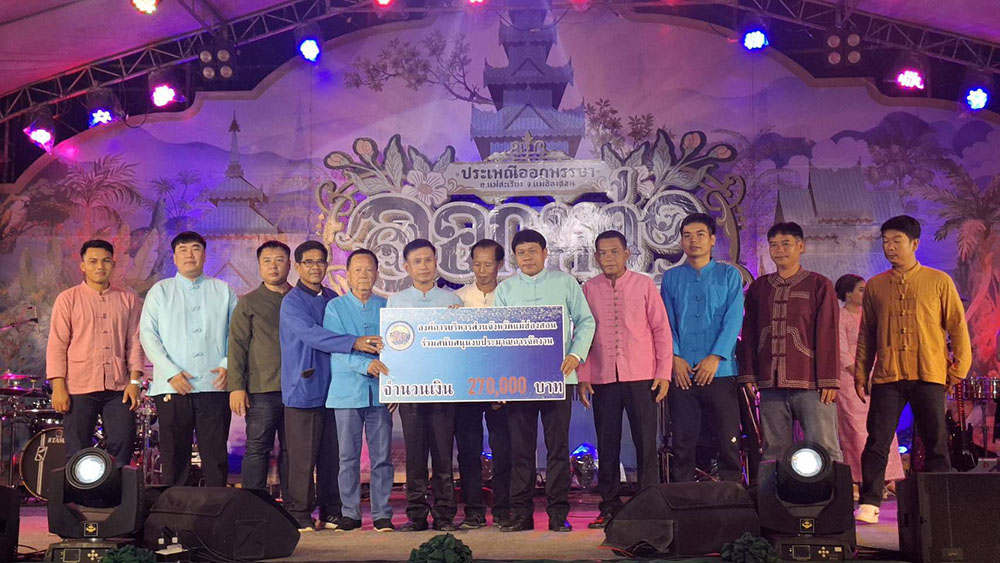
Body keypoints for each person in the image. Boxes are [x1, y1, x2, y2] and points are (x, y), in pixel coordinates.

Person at [854, 216, 971, 524]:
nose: (889, 247)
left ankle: (940, 505)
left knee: (935, 441)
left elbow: (958, 327)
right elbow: (867, 334)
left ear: (914, 243)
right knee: (877, 440)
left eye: (897, 241)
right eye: (885, 241)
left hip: (929, 373)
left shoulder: (939, 281)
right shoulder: (876, 285)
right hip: (888, 376)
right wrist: (861, 372)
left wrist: (959, 369)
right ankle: (870, 502)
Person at [494, 229, 596, 533]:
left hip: (559, 378)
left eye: (532, 251)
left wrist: (575, 355)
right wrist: (501, 380)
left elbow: (586, 321)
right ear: (514, 257)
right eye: (521, 253)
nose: (527, 257)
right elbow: (499, 335)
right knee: (521, 451)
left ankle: (557, 514)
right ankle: (521, 515)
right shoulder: (505, 289)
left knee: (557, 449)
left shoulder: (565, 283)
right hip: (519, 382)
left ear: (544, 253)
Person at [279, 240, 383, 532]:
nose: (315, 267)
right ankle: (299, 512)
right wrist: (354, 342)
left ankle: (331, 510)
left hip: (336, 387)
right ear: (297, 266)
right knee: (302, 456)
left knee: (333, 455)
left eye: (320, 262)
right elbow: (312, 334)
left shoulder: (331, 297)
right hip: (304, 388)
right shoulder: (292, 301)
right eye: (308, 262)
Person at [578, 230, 671, 529]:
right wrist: (583, 376)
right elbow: (583, 333)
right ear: (596, 257)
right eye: (603, 253)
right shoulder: (589, 289)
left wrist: (663, 373)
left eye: (614, 252)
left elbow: (661, 329)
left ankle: (648, 505)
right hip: (603, 377)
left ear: (627, 253)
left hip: (643, 376)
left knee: (646, 443)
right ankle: (609, 506)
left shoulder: (643, 284)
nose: (608, 258)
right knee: (607, 444)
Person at [737, 222, 842, 464]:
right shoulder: (760, 287)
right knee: (774, 450)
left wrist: (829, 379)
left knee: (824, 445)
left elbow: (828, 334)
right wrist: (749, 374)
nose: (779, 250)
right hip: (770, 383)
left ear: (800, 246)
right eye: (774, 245)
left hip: (811, 382)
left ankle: (833, 489)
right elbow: (749, 333)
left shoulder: (818, 284)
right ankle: (775, 490)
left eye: (786, 244)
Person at [140, 231, 237, 487]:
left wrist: (227, 364)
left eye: (195, 248)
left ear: (204, 255)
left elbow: (237, 333)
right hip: (172, 387)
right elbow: (148, 335)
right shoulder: (160, 291)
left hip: (214, 385)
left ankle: (216, 508)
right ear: (174, 257)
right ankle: (175, 508)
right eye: (182, 250)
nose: (189, 254)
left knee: (215, 457)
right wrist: (171, 371)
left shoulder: (223, 290)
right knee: (174, 457)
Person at [660, 214, 745, 484]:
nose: (693, 241)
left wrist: (716, 356)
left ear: (712, 240)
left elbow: (734, 318)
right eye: (687, 235)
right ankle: (684, 496)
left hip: (720, 371)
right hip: (682, 372)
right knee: (683, 442)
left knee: (728, 440)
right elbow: (665, 321)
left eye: (699, 235)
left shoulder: (729, 275)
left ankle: (732, 494)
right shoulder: (671, 278)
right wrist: (674, 356)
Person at [386, 238, 462, 532]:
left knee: (443, 456)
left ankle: (444, 515)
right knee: (415, 457)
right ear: (407, 267)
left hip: (444, 390)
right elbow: (393, 349)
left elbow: (460, 348)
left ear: (436, 262)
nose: (424, 266)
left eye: (428, 260)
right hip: (411, 391)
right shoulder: (396, 302)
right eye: (417, 261)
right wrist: (391, 385)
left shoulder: (452, 302)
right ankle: (416, 515)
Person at [47, 239, 145, 463]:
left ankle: (117, 487)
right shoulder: (67, 299)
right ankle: (80, 488)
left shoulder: (128, 299)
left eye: (105, 261)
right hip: (78, 386)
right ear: (83, 266)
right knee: (77, 449)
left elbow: (135, 343)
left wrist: (135, 382)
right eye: (93, 261)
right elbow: (57, 345)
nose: (100, 266)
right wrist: (58, 386)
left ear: (113, 264)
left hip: (119, 388)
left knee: (123, 446)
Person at [324, 249, 394, 532]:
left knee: (382, 457)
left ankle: (382, 513)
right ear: (348, 275)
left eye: (369, 269)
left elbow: (400, 350)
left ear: (377, 273)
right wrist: (366, 365)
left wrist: (396, 389)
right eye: (357, 270)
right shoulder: (335, 308)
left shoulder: (388, 307)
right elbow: (336, 347)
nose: (363, 275)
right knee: (347, 458)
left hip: (381, 394)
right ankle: (350, 513)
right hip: (346, 393)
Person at [453, 239, 513, 529]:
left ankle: (503, 510)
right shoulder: (459, 297)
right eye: (476, 264)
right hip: (466, 387)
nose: (481, 270)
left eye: (488, 264)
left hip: (502, 387)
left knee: (504, 450)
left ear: (500, 264)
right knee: (468, 451)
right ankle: (474, 511)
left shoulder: (511, 295)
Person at [228, 240, 292, 498]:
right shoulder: (249, 302)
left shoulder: (300, 299)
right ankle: (254, 504)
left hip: (298, 390)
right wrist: (237, 387)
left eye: (279, 260)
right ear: (259, 266)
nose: (273, 266)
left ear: (290, 264)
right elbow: (237, 346)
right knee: (257, 448)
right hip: (262, 389)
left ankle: (295, 507)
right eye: (267, 261)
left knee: (293, 450)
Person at [833, 274, 904, 497]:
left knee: (883, 427)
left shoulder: (870, 315)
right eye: (861, 290)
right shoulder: (840, 317)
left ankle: (887, 477)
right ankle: (857, 479)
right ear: (848, 294)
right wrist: (860, 372)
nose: (865, 294)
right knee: (855, 430)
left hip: (876, 376)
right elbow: (841, 351)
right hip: (850, 380)